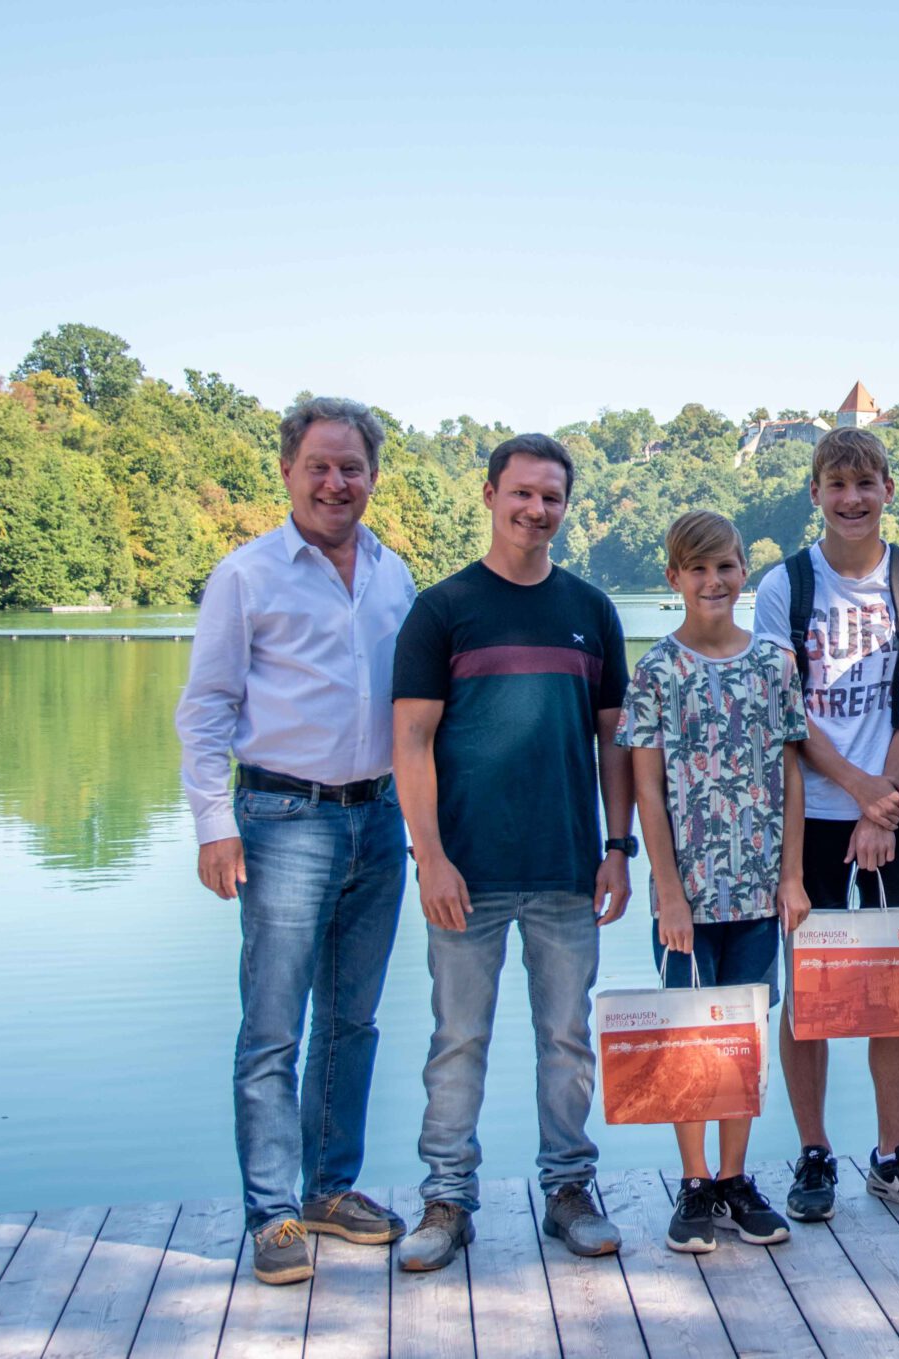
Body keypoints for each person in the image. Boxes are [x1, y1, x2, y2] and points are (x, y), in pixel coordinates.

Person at [175, 396, 416, 1286]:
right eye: (318, 465)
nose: (334, 481)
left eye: (350, 467)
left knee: (353, 1021)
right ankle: (272, 1214)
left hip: (379, 818)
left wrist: (422, 821)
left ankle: (330, 1189)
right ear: (286, 471)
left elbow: (416, 714)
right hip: (281, 821)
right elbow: (205, 709)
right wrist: (213, 824)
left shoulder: (395, 576)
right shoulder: (246, 576)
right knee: (274, 1027)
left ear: (372, 476)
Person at [390, 433, 634, 1271]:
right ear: (490, 494)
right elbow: (411, 741)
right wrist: (429, 856)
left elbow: (614, 745)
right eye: (522, 493)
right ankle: (447, 1200)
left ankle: (568, 1188)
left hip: (569, 867)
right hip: (468, 872)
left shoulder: (593, 611)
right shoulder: (443, 609)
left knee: (567, 1040)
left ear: (567, 506)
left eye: (552, 497)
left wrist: (617, 846)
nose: (536, 510)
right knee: (458, 1039)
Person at [751, 427, 899, 1223]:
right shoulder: (784, 587)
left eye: (865, 483)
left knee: (894, 993)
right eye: (836, 484)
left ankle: (893, 1154)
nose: (851, 499)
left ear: (888, 490)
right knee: (810, 993)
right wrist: (858, 792)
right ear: (815, 494)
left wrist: (888, 801)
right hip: (812, 811)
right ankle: (813, 1151)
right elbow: (788, 712)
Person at [618, 510, 811, 1254]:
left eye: (725, 566)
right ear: (673, 579)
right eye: (696, 569)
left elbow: (790, 773)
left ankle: (734, 1179)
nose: (712, 581)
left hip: (761, 890)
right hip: (688, 898)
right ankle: (694, 1183)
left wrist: (792, 874)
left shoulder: (772, 664)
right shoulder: (657, 671)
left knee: (744, 1039)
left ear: (743, 572)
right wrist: (666, 891)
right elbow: (647, 788)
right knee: (689, 1038)